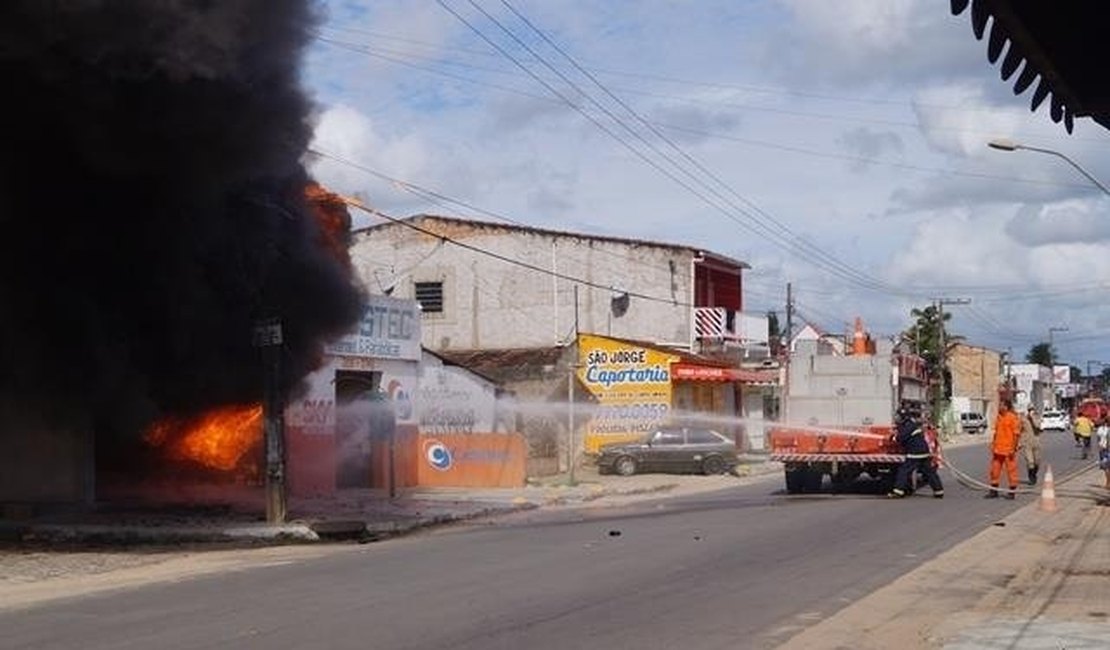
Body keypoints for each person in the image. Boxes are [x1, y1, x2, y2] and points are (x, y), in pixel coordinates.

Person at [888, 405, 944, 499]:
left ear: (903, 417)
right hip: (923, 451)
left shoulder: (907, 426)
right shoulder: (910, 424)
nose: (897, 418)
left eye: (898, 416)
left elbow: (900, 438)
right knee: (929, 472)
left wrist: (893, 437)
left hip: (915, 453)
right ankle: (939, 491)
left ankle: (898, 491)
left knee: (904, 471)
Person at [986, 400, 1021, 499]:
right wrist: (993, 444)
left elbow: (1016, 435)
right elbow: (996, 433)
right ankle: (994, 490)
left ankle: (1012, 492)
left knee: (1011, 471)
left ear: (1006, 407)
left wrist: (1013, 448)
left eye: (1001, 405)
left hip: (1008, 450)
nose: (999, 407)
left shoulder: (1013, 418)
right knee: (994, 470)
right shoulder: (999, 417)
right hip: (998, 449)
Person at [1019, 406, 1043, 485]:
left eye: (1032, 410)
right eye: (1029, 410)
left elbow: (1037, 426)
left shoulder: (1037, 418)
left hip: (1036, 442)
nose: (1031, 411)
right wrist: (1019, 443)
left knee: (1037, 462)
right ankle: (1032, 477)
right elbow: (1019, 430)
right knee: (1030, 461)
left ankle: (1034, 473)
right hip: (1027, 443)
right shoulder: (1023, 419)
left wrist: (1032, 418)